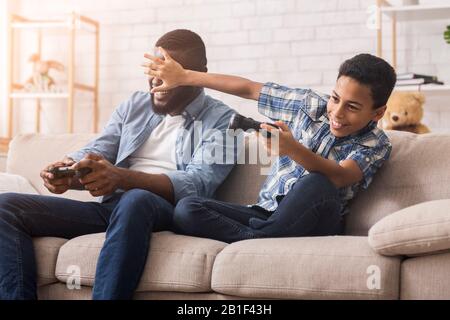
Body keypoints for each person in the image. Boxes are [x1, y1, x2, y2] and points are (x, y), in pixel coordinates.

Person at [0, 29, 236, 300]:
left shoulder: (224, 121)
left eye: (169, 71)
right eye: (153, 67)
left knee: (135, 199)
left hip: (168, 211)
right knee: (6, 206)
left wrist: (122, 178)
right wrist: (70, 168)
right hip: (116, 209)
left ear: (198, 75)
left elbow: (198, 184)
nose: (156, 79)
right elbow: (101, 148)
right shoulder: (135, 104)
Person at [143, 50, 396, 243]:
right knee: (187, 208)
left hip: (318, 223)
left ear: (378, 113)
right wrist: (185, 77)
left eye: (352, 107)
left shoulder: (376, 143)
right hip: (264, 214)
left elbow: (340, 175)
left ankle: (259, 239)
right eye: (335, 99)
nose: (337, 113)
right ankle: (259, 238)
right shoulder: (307, 105)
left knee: (316, 181)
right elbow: (249, 89)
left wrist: (291, 149)